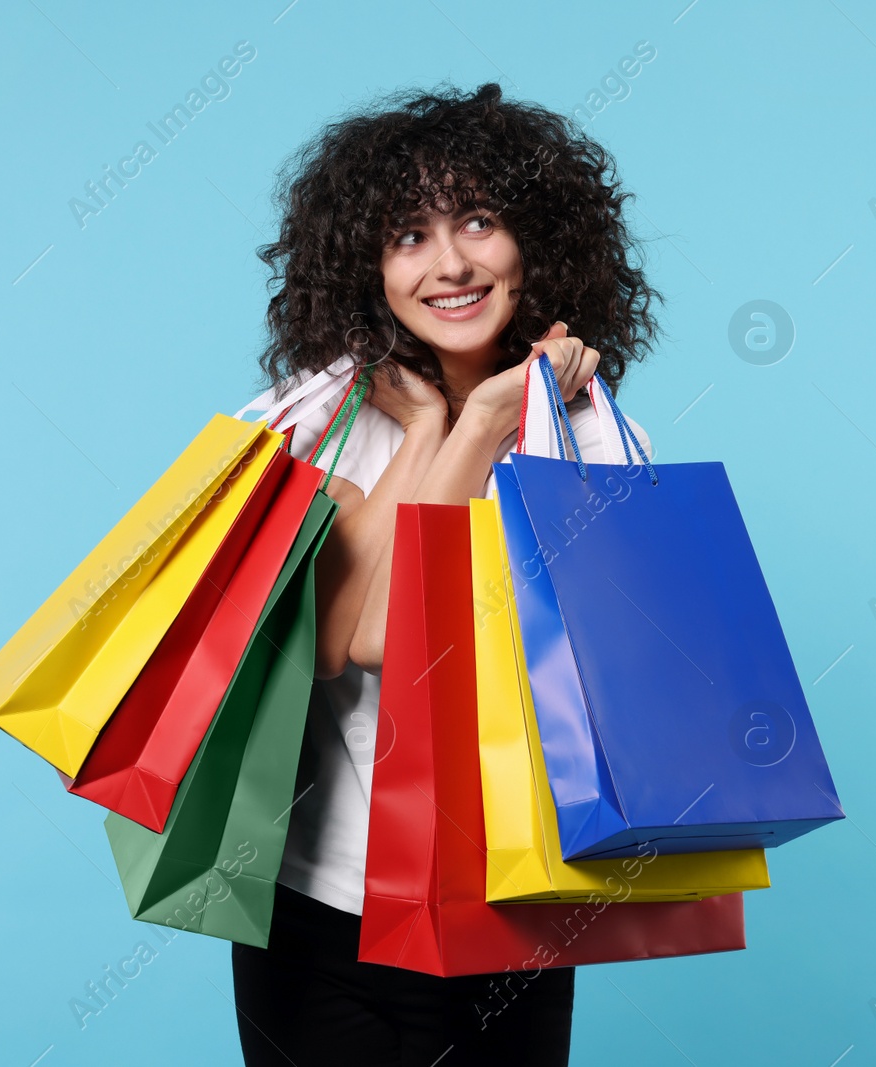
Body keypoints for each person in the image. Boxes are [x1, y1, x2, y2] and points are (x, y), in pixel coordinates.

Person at [229, 81, 659, 1066]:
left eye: (476, 221)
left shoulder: (588, 432)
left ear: (537, 242)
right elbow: (356, 636)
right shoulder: (315, 415)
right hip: (316, 904)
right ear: (365, 263)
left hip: (508, 899)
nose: (450, 263)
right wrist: (449, 426)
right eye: (408, 235)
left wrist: (481, 425)